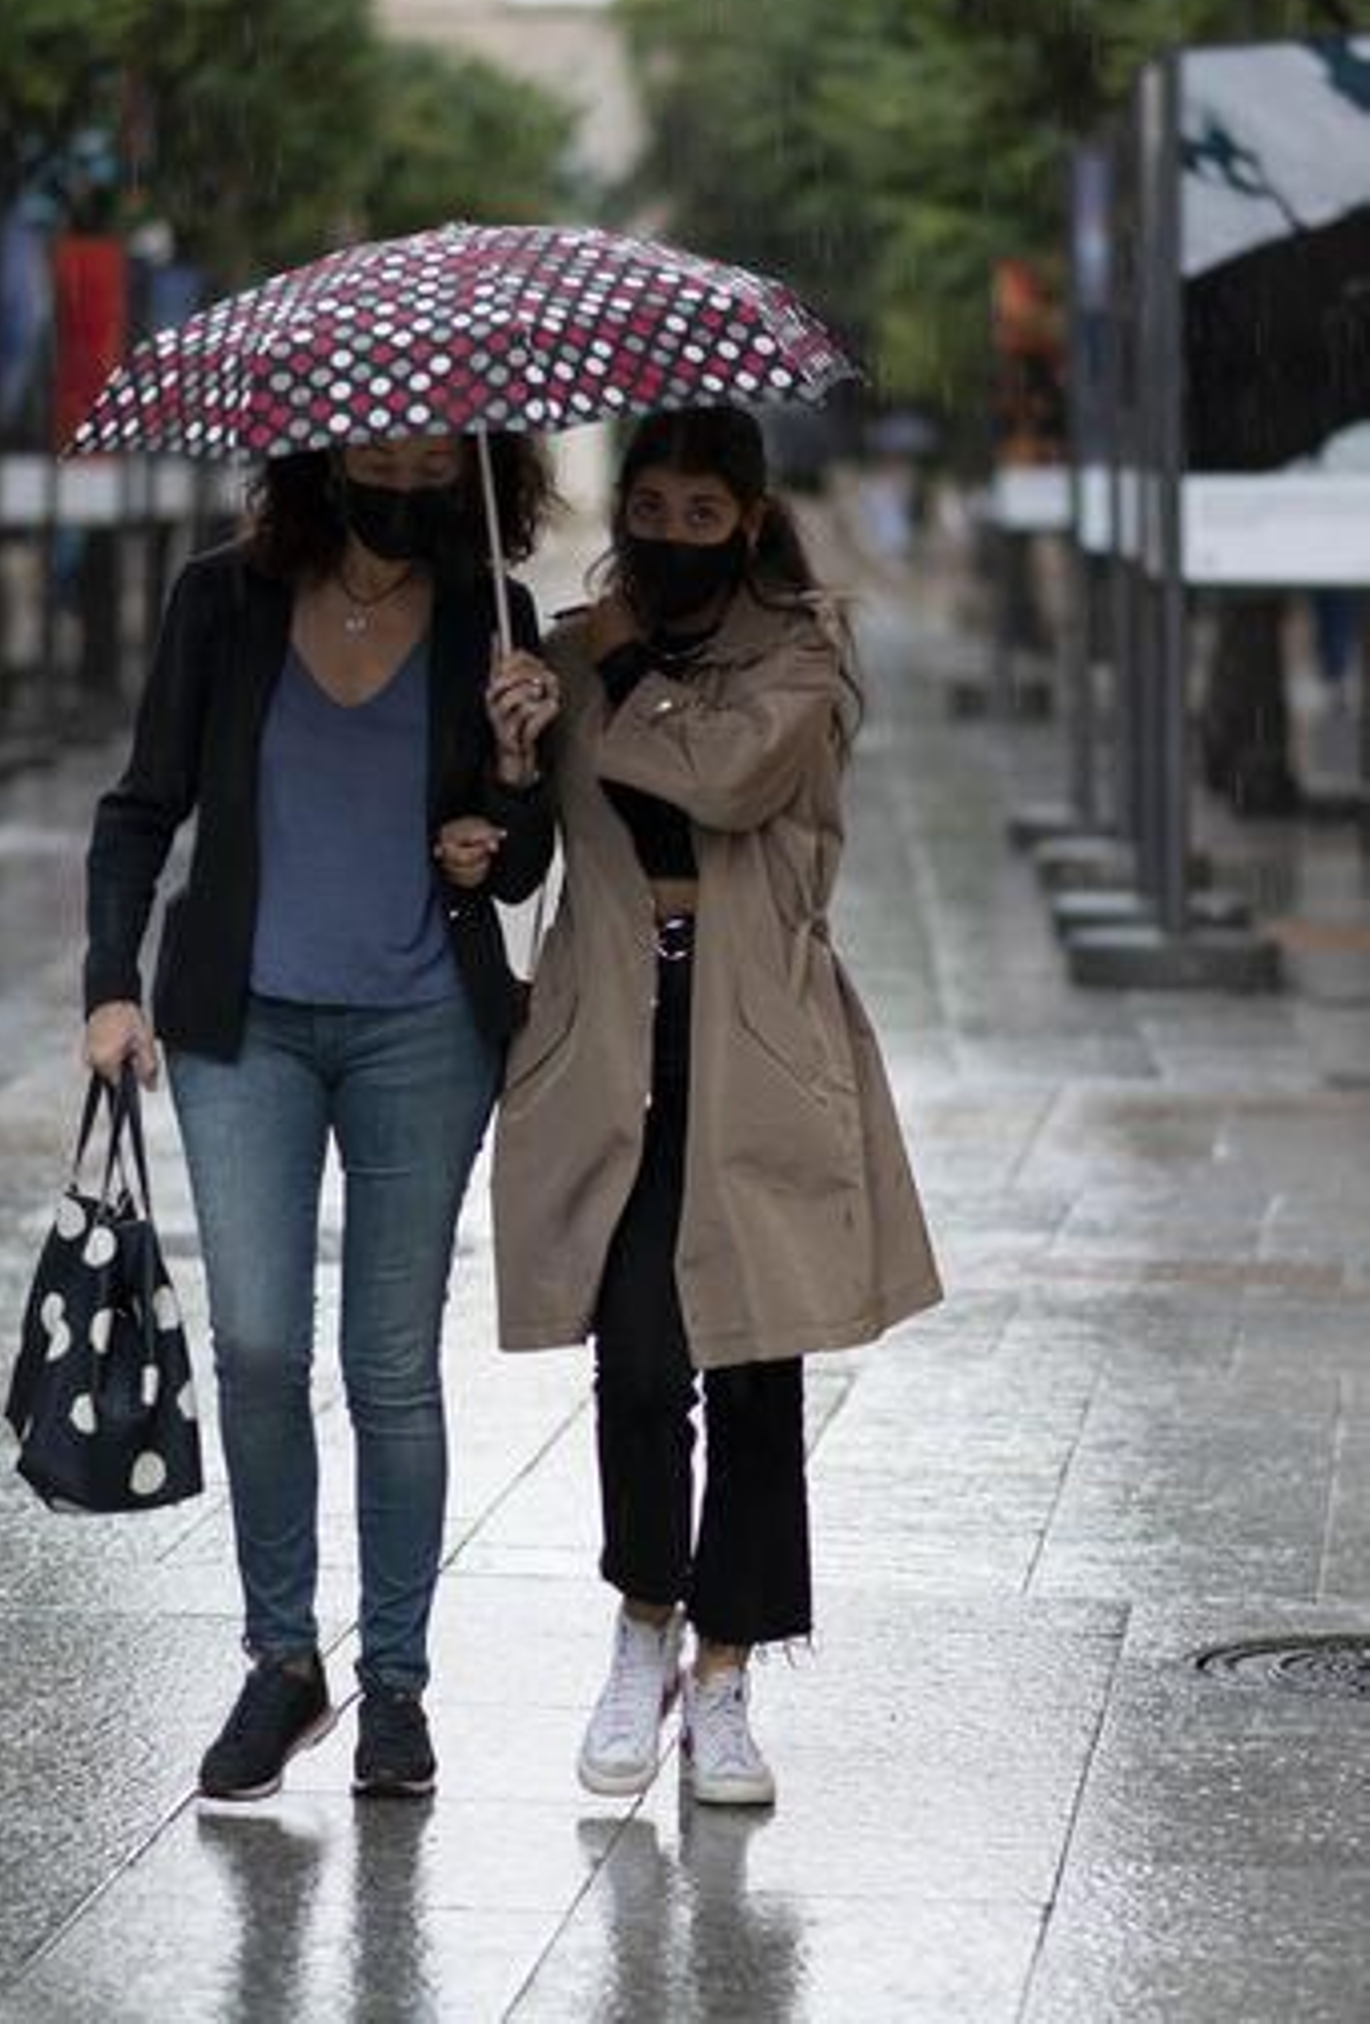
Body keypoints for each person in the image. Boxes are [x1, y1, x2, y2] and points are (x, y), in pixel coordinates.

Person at [81, 432, 559, 1802]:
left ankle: (395, 1686)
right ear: (324, 446)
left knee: (391, 1367)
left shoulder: (493, 613)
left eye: (432, 451)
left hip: (426, 1028)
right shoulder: (221, 599)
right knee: (258, 1346)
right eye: (378, 448)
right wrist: (111, 985)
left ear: (474, 456)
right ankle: (282, 1658)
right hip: (244, 1026)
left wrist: (511, 779)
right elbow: (141, 805)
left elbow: (518, 860)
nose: (403, 471)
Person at [490, 403, 940, 1808]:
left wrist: (622, 664)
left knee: (753, 1368)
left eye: (701, 514)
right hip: (614, 1043)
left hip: (759, 1042)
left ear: (748, 521)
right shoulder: (566, 654)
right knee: (638, 1363)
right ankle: (644, 1627)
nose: (670, 535)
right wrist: (510, 761)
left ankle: (728, 1675)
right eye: (651, 509)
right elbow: (521, 859)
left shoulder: (802, 652)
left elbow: (723, 779)